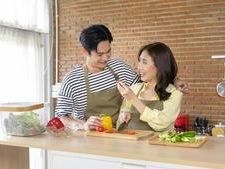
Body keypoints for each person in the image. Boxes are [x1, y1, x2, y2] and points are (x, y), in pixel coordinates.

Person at [56, 24, 186, 131]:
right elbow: (61, 117)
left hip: (116, 134)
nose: (106, 58)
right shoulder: (72, 80)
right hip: (89, 137)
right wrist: (83, 125)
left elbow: (148, 81)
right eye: (100, 54)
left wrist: (173, 79)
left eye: (108, 52)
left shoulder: (119, 67)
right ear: (85, 52)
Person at [117, 42, 182, 132]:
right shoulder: (134, 89)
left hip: (158, 145)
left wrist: (133, 98)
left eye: (144, 62)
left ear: (159, 66)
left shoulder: (175, 93)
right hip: (130, 144)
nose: (138, 67)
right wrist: (123, 116)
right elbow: (119, 124)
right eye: (139, 61)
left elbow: (161, 124)